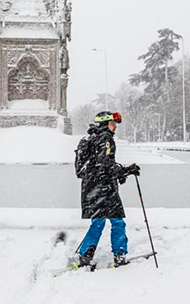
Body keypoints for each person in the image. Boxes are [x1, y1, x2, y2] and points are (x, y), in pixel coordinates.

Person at [74, 111, 140, 269]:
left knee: (97, 222)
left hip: (91, 188)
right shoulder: (105, 138)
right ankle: (120, 255)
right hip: (105, 189)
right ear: (105, 124)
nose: (115, 126)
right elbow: (105, 163)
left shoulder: (89, 138)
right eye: (112, 123)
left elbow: (96, 165)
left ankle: (85, 255)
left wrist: (119, 173)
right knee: (117, 222)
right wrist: (126, 171)